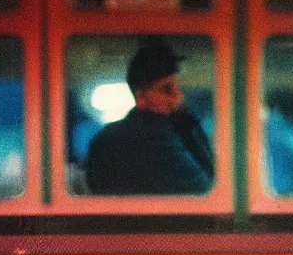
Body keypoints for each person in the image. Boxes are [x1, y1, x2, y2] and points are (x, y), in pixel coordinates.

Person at [86, 43, 214, 195]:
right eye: (167, 89)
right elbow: (203, 191)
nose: (178, 97)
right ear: (141, 96)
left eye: (178, 88)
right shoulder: (151, 136)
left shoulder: (107, 136)